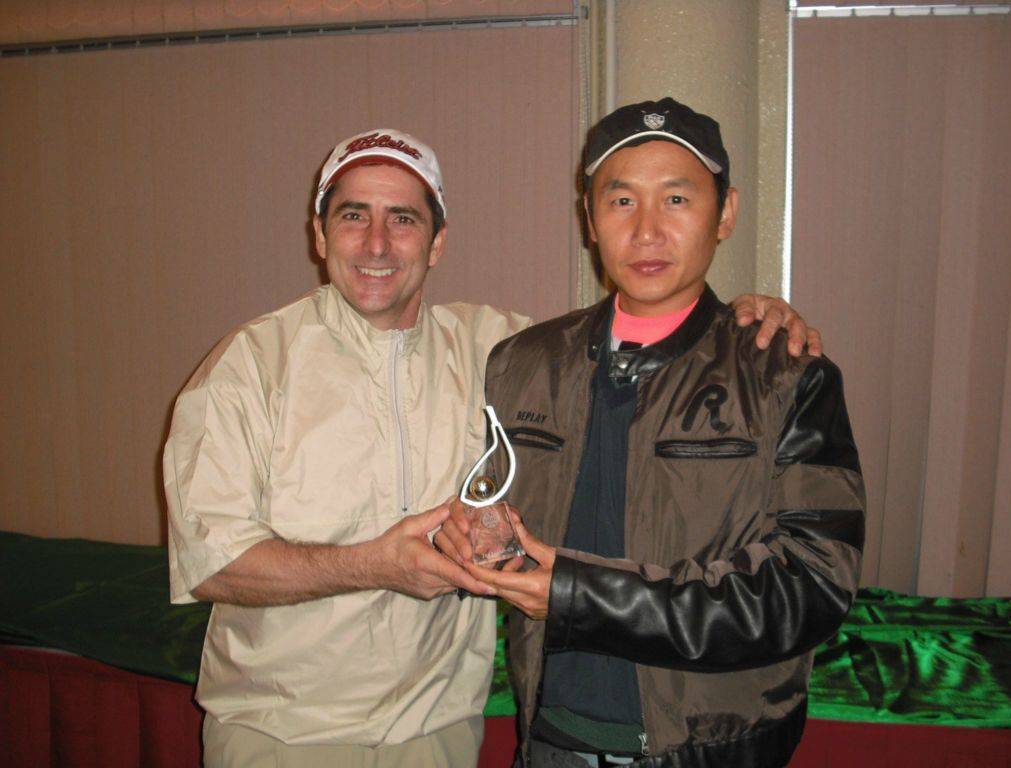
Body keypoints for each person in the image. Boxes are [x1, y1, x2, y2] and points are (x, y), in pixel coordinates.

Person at [164, 126, 821, 767]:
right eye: (353, 215)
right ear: (319, 233)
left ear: (438, 242)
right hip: (278, 733)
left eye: (403, 219)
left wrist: (742, 319)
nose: (376, 243)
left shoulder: (500, 352)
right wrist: (372, 565)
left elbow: (639, 333)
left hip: (438, 731)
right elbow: (211, 563)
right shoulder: (250, 366)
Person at [437, 98, 866, 768]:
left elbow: (810, 588)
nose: (646, 231)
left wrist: (577, 595)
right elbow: (496, 509)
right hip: (549, 741)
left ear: (725, 213)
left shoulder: (785, 375)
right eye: (621, 201)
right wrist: (473, 539)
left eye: (676, 199)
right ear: (590, 219)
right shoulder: (521, 364)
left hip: (714, 750)